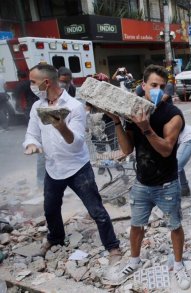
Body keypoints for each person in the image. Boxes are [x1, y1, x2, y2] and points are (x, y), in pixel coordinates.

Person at [23, 64, 121, 262]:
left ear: (46, 82)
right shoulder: (37, 106)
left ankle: (112, 247)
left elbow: (76, 143)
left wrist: (61, 127)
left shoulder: (74, 106)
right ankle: (56, 239)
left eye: (33, 81)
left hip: (77, 168)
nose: (31, 85)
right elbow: (32, 133)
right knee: (50, 209)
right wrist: (31, 144)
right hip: (53, 168)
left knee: (96, 210)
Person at [106, 65, 191, 289]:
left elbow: (165, 149)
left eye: (162, 87)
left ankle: (179, 264)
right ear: (143, 86)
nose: (158, 90)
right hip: (142, 183)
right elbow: (126, 149)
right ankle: (134, 261)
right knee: (136, 225)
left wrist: (146, 128)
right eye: (153, 85)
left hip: (167, 183)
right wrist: (117, 120)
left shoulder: (172, 115)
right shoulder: (134, 111)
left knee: (174, 225)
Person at [177, 124, 191, 197]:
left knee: (175, 167)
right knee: (176, 165)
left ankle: (173, 198)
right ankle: (184, 189)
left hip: (189, 138)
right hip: (176, 138)